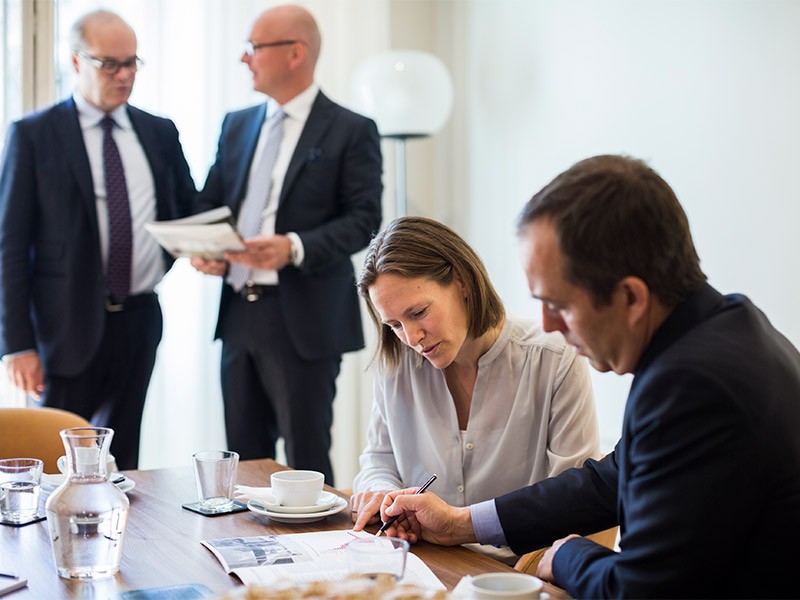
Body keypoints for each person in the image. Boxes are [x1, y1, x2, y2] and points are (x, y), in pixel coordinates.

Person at [374, 155, 800, 598]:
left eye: (559, 304)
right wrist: (460, 522)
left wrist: (569, 554)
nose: (550, 324)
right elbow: (607, 480)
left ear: (631, 297)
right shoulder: (723, 329)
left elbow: (639, 591)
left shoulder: (692, 386)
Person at [190, 5, 382, 485]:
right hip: (238, 313)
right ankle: (242, 556)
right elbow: (212, 203)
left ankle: (316, 558)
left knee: (306, 460)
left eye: (254, 47)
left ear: (295, 53)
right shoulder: (237, 124)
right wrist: (206, 246)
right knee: (243, 462)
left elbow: (365, 221)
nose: (244, 58)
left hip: (306, 318)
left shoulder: (350, 129)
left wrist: (293, 246)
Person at [0, 10, 196, 469]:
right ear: (75, 62)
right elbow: (9, 245)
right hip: (62, 326)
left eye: (132, 63)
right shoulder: (33, 135)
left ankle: (123, 542)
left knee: (124, 462)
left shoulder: (159, 132)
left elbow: (187, 210)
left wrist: (211, 247)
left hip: (140, 318)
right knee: (53, 464)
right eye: (110, 63)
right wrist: (17, 344)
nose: (124, 75)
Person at [349, 217, 600, 563]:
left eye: (419, 312)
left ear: (462, 281)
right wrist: (382, 494)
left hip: (517, 574)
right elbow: (378, 459)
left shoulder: (554, 359)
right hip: (421, 561)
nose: (411, 339)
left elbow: (575, 498)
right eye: (394, 325)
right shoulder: (397, 364)